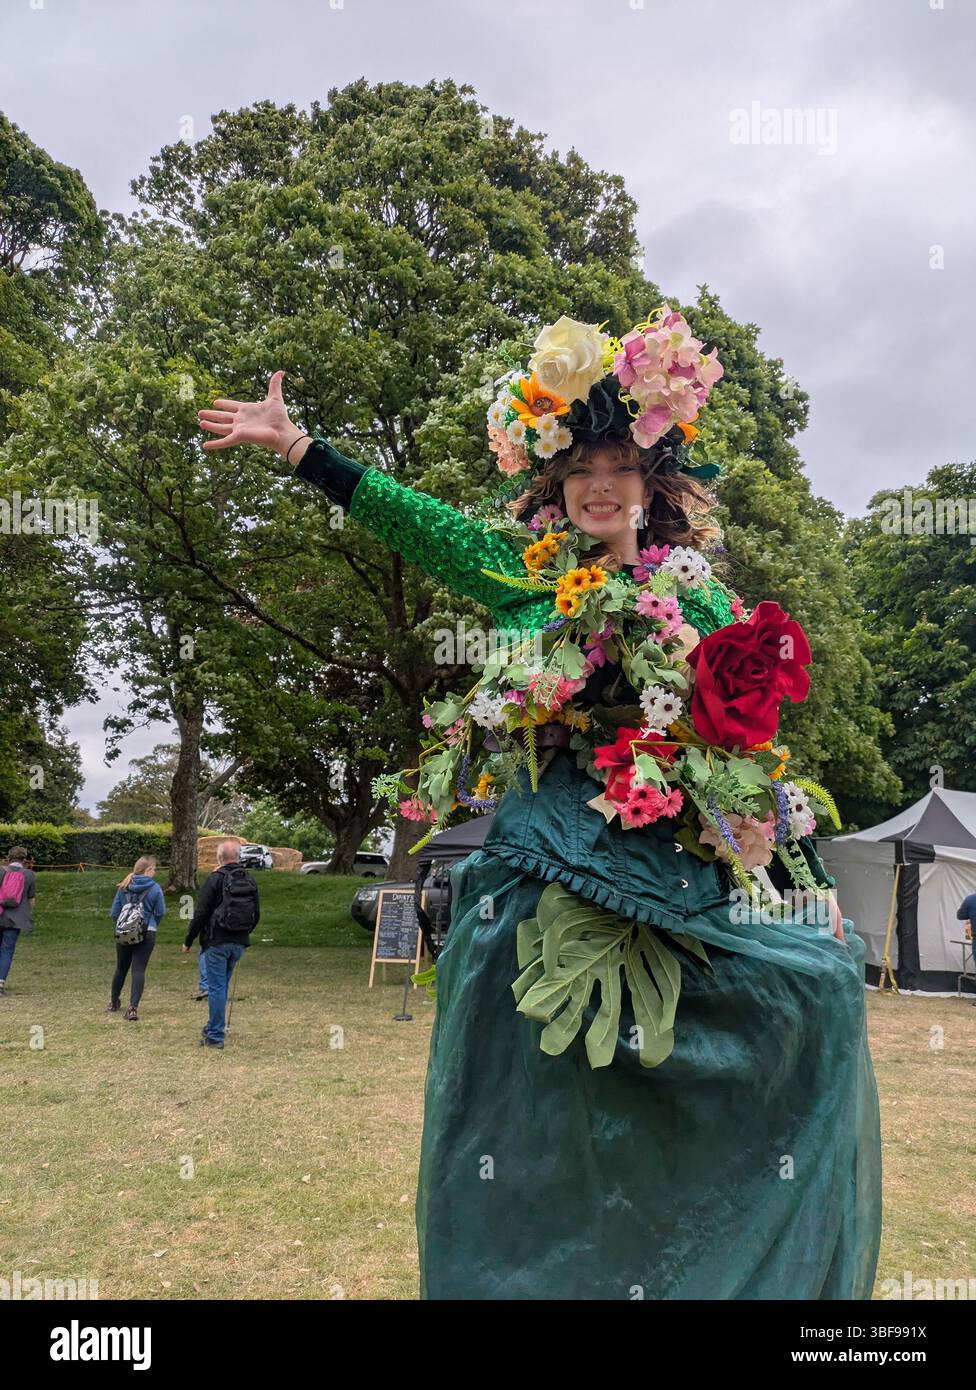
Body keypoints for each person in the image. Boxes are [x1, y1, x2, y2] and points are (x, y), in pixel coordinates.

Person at [199, 319, 882, 1299]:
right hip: (532, 888)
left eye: (618, 463)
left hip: (674, 891)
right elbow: (411, 517)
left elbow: (757, 767)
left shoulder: (711, 607)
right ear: (553, 484)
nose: (598, 483)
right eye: (578, 466)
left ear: (652, 482)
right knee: (532, 1135)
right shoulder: (522, 575)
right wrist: (303, 447)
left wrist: (806, 884)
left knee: (813, 994)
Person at [180, 841, 259, 1049]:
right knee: (221, 986)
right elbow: (256, 914)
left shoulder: (215, 879)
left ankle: (215, 1036)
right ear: (238, 857)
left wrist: (188, 940)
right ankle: (213, 1026)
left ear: (219, 858)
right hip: (239, 942)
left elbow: (201, 913)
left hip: (217, 942)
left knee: (216, 988)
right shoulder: (249, 879)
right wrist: (244, 933)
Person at [108, 856, 166, 1020]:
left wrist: (123, 925)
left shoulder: (124, 886)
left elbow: (114, 912)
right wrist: (152, 924)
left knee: (121, 968)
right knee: (138, 969)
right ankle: (132, 1007)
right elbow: (161, 912)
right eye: (154, 869)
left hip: (124, 932)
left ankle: (113, 1002)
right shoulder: (155, 888)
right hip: (147, 931)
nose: (155, 872)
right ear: (147, 870)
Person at [0, 846, 37, 996]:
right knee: (7, 950)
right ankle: (0, 983)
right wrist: (27, 914)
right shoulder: (29, 875)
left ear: (9, 858)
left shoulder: (1, 871)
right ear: (24, 859)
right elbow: (31, 899)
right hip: (16, 919)